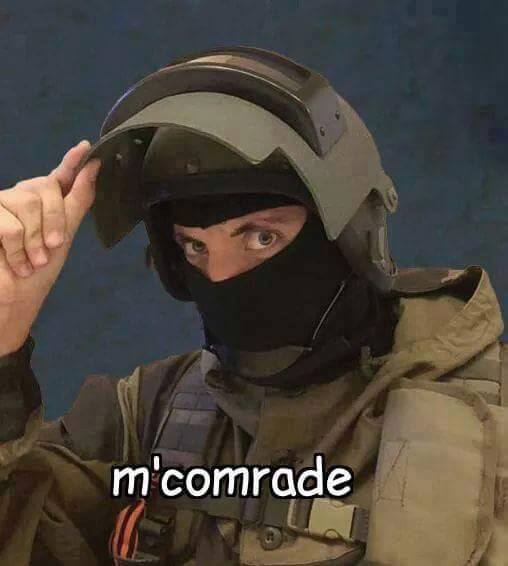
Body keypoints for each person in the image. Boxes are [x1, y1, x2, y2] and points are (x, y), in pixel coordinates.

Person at [0, 46, 505, 566]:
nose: (221, 278)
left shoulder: (493, 415)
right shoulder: (146, 419)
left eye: (261, 237)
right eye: (194, 246)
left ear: (349, 237)